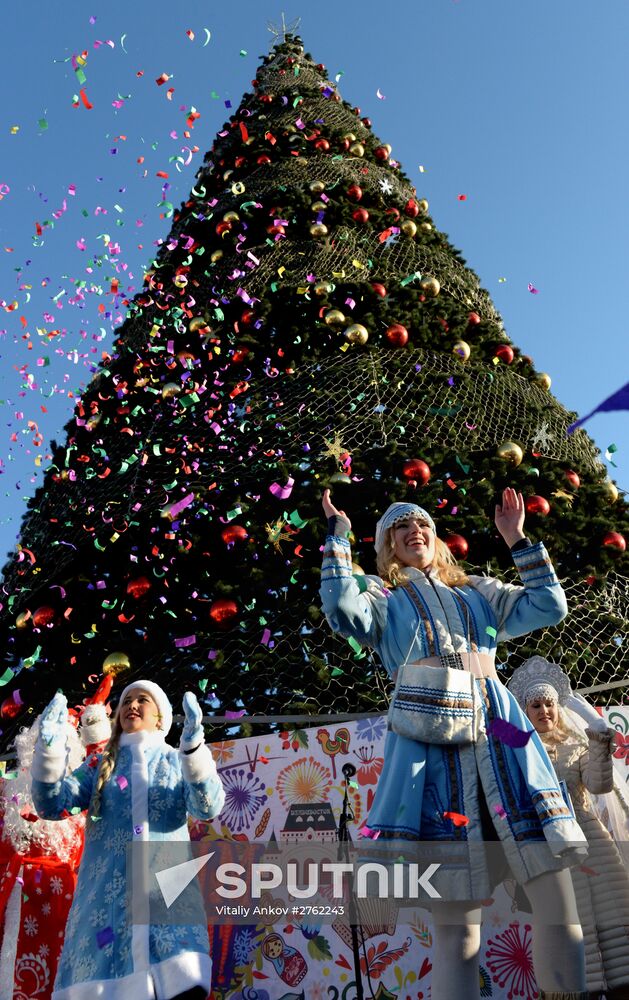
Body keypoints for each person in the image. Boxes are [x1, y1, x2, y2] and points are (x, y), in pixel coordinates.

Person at [320, 486, 589, 1000]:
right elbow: (341, 611)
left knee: (554, 891)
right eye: (401, 529)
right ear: (388, 547)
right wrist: (338, 537)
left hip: (503, 730)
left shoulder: (478, 592)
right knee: (456, 930)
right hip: (428, 750)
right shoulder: (381, 598)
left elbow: (549, 606)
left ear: (436, 539)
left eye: (422, 524)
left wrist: (517, 539)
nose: (414, 532)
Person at [31, 679, 225, 1000]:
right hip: (104, 918)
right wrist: (49, 751)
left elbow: (207, 807)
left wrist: (192, 750)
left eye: (142, 700)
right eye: (126, 700)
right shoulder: (97, 767)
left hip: (168, 912)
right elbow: (51, 804)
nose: (131, 705)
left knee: (179, 988)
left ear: (160, 718)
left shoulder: (174, 761)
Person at [510, 656, 629, 1000]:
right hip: (550, 846)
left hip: (592, 840)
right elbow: (494, 734)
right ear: (525, 709)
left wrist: (598, 736)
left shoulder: (575, 744)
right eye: (536, 705)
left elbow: (599, 786)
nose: (544, 711)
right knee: (568, 925)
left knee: (615, 920)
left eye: (549, 703)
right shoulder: (519, 747)